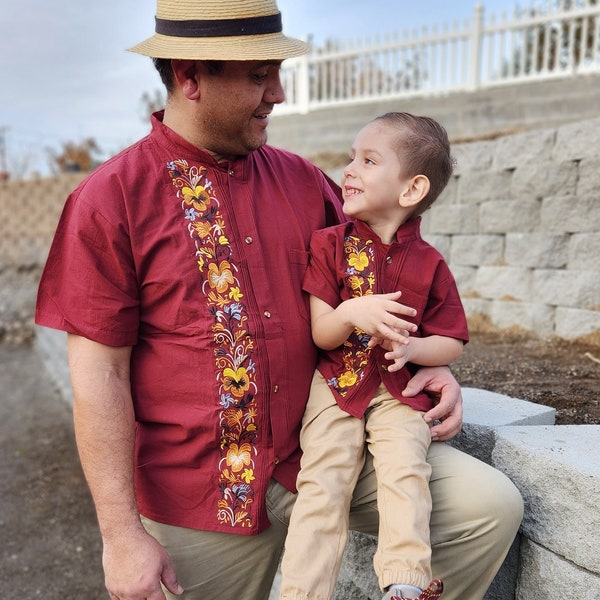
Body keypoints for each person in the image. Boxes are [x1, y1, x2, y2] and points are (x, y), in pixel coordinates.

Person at [35, 1, 523, 599]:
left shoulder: (304, 182)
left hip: (322, 452)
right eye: (260, 76)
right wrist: (120, 534)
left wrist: (427, 356)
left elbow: (381, 283)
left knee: (489, 510)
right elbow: (98, 378)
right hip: (198, 496)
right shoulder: (109, 201)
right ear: (190, 76)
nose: (280, 94)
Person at [279, 112, 467, 600]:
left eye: (368, 160)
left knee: (406, 470)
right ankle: (302, 592)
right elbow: (322, 333)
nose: (349, 169)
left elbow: (451, 340)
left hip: (398, 390)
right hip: (335, 385)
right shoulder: (329, 246)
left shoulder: (430, 263)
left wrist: (415, 348)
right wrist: (351, 311)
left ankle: (405, 582)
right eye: (350, 158)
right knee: (323, 484)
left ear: (411, 190)